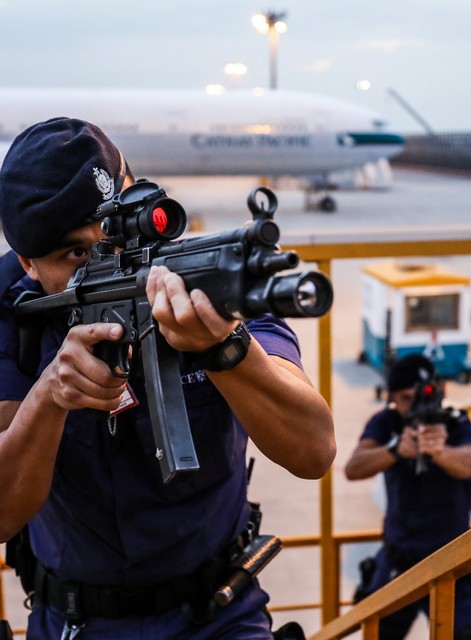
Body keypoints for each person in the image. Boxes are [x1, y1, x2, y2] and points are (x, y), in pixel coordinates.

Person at [0, 117, 335, 639]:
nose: (110, 256)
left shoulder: (201, 275)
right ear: (28, 265)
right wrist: (49, 396)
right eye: (76, 253)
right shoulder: (12, 316)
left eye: (113, 232)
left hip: (219, 612)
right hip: (78, 622)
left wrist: (226, 348)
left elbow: (313, 450)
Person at [344, 353, 471, 639]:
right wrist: (396, 450)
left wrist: (439, 452)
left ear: (441, 391)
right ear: (393, 399)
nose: (417, 406)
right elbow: (353, 468)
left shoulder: (457, 425)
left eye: (424, 395)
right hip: (399, 559)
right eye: (407, 399)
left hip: (451, 561)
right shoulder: (386, 423)